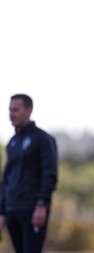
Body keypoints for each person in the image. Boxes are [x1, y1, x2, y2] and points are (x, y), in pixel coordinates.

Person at [0, 94, 58, 253]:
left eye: (16, 110)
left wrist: (42, 204)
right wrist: (2, 210)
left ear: (29, 110)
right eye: (10, 110)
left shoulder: (43, 139)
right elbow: (6, 177)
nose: (11, 114)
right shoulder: (12, 142)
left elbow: (49, 174)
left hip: (32, 209)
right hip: (12, 208)